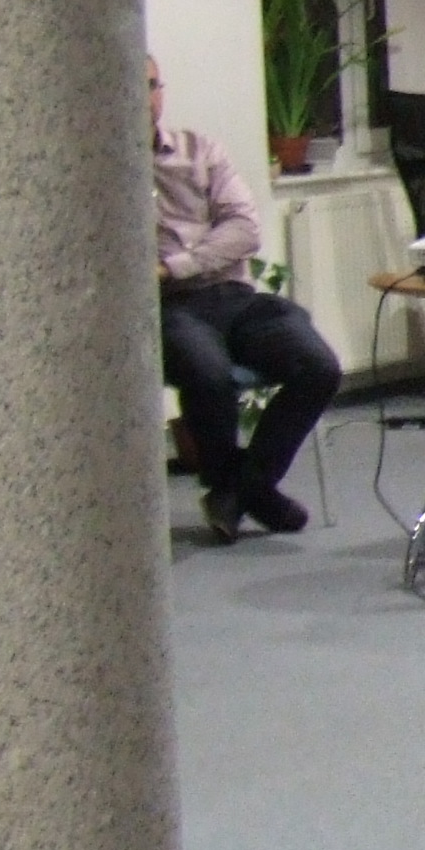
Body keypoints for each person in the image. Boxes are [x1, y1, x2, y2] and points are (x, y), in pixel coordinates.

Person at [152, 56, 343, 541]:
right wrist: (182, 270)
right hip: (171, 307)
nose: (145, 98)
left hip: (235, 297)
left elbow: (243, 229)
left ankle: (239, 490)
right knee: (208, 374)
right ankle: (250, 492)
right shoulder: (104, 175)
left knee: (317, 366)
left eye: (152, 85)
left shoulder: (199, 150)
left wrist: (176, 264)